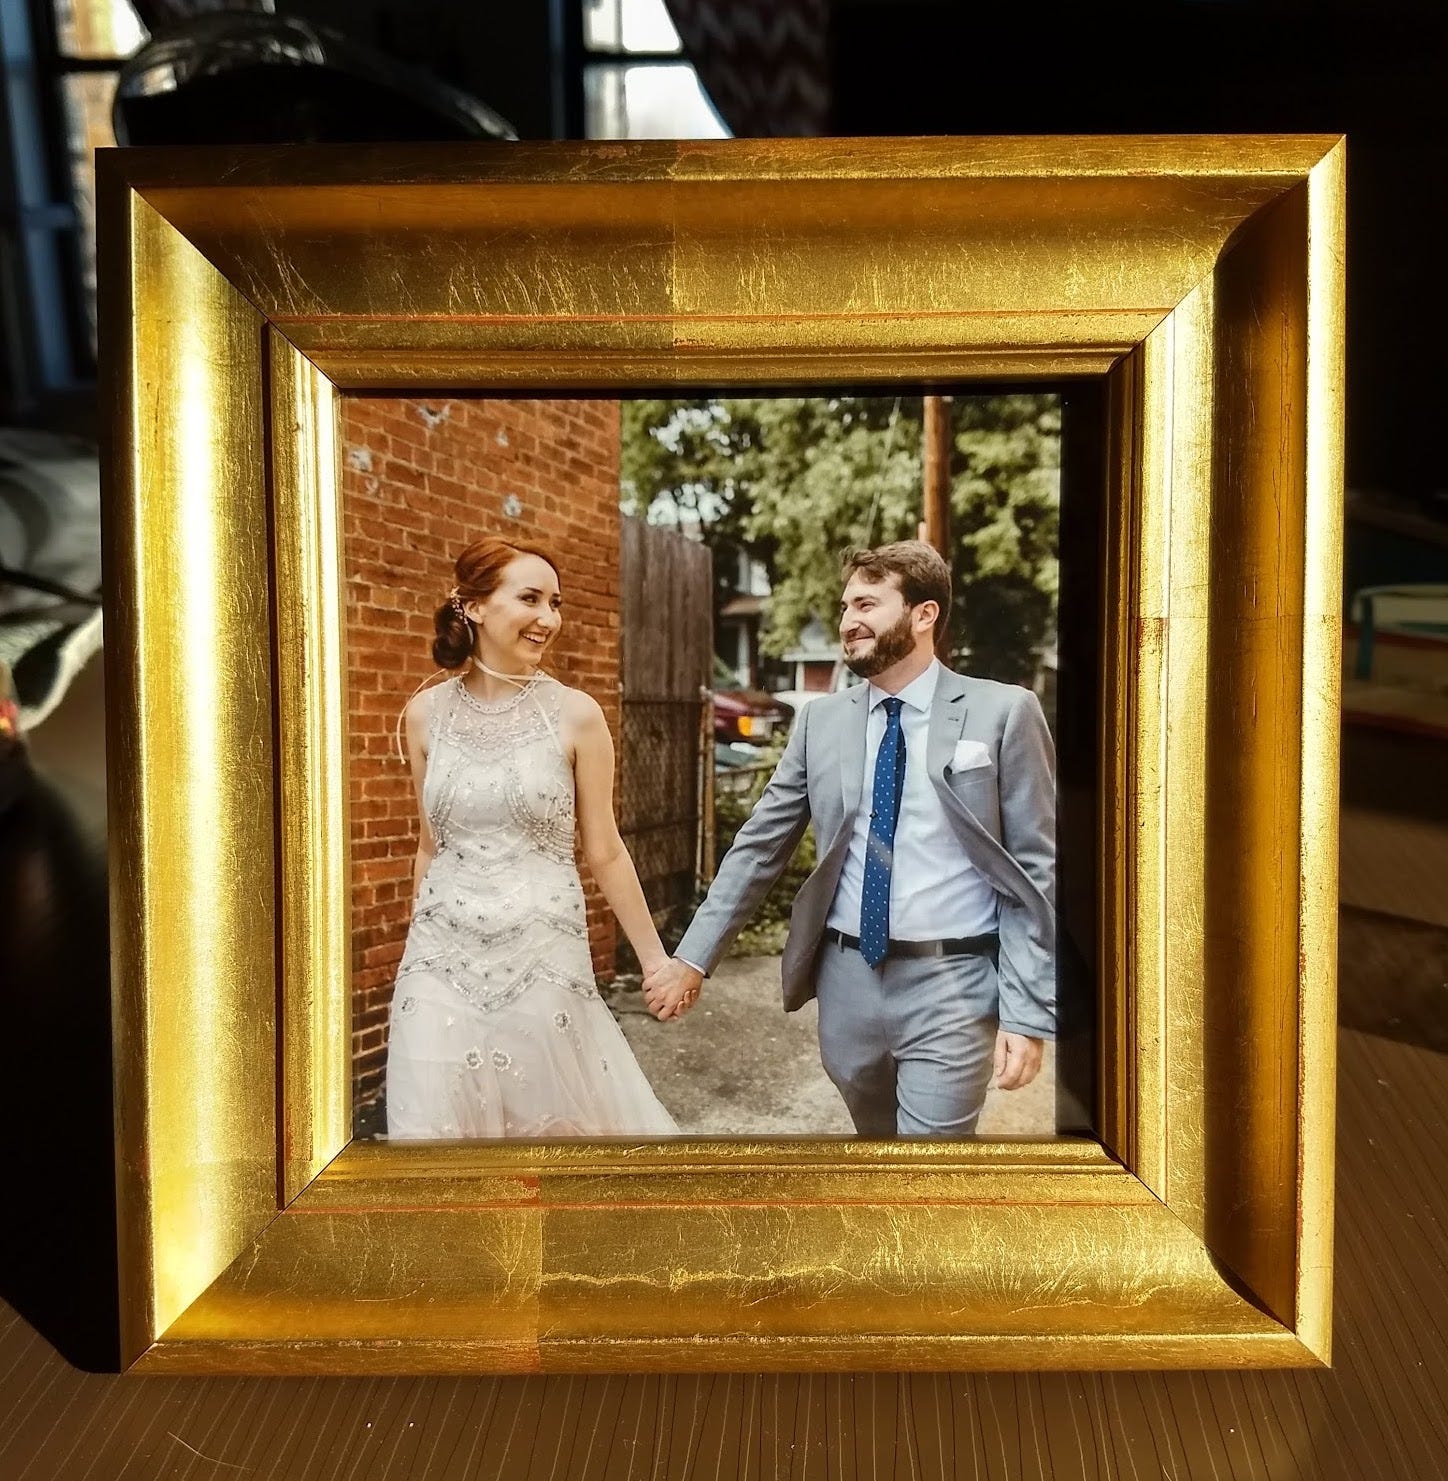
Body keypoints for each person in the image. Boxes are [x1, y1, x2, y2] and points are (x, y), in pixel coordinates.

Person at [645, 540, 1055, 1138]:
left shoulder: (1004, 712)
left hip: (955, 981)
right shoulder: (821, 720)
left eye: (867, 603)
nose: (848, 622)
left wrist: (1027, 1008)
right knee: (873, 1154)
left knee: (929, 1176)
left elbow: (1034, 871)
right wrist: (694, 957)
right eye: (845, 608)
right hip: (847, 982)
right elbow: (761, 845)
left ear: (923, 614)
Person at [384, 535, 678, 1139]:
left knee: (546, 1146)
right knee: (434, 1143)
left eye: (556, 603)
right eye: (531, 599)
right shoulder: (423, 716)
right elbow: (429, 846)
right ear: (475, 607)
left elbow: (606, 849)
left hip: (542, 955)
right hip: (438, 961)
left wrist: (656, 962)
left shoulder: (576, 714)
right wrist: (420, 946)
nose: (549, 618)